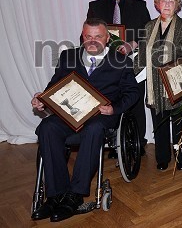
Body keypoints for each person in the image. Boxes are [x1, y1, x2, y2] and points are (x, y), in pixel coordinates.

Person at [31, 18, 139, 222]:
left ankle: (74, 195)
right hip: (70, 115)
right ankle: (56, 195)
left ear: (107, 38)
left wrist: (113, 108)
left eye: (98, 37)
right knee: (47, 127)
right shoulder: (68, 56)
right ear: (82, 37)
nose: (92, 41)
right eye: (88, 36)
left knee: (94, 128)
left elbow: (132, 93)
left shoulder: (121, 60)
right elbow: (55, 85)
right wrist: (42, 99)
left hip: (101, 116)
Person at [134, 0, 182, 171]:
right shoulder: (149, 27)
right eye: (164, 1)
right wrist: (128, 75)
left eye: (171, 1)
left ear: (177, 5)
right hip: (155, 84)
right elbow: (141, 55)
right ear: (158, 5)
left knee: (179, 123)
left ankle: (181, 158)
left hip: (178, 83)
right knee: (159, 123)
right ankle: (162, 158)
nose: (167, 5)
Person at [88, 0, 151, 155]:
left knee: (135, 103)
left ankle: (138, 143)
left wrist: (134, 44)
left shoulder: (139, 6)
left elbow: (149, 34)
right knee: (110, 102)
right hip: (106, 66)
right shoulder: (96, 6)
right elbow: (87, 36)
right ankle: (115, 144)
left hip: (133, 64)